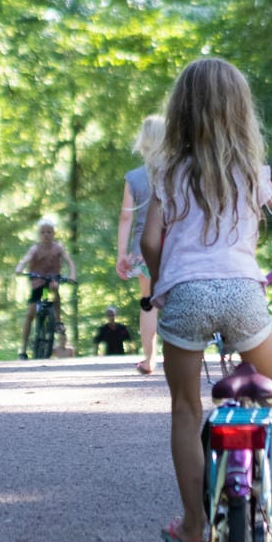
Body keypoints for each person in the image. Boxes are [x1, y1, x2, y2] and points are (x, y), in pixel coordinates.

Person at [141, 58, 272, 542]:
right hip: (243, 296)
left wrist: (164, 280)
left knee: (186, 409)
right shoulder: (252, 174)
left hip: (185, 298)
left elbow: (149, 242)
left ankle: (193, 526)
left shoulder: (165, 173)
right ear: (239, 112)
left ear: (180, 112)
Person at [115, 115, 166, 374]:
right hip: (177, 247)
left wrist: (122, 254)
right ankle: (188, 353)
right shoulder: (179, 172)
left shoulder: (134, 178)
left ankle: (150, 359)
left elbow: (126, 218)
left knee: (148, 302)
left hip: (144, 250)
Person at [14, 219, 76, 358]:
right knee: (30, 315)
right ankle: (23, 349)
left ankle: (57, 321)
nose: (46, 235)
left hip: (52, 279)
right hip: (37, 281)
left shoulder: (58, 248)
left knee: (54, 288)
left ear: (54, 233)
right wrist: (19, 268)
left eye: (49, 232)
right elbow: (25, 259)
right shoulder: (35, 249)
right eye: (43, 232)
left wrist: (72, 275)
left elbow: (69, 261)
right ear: (39, 234)